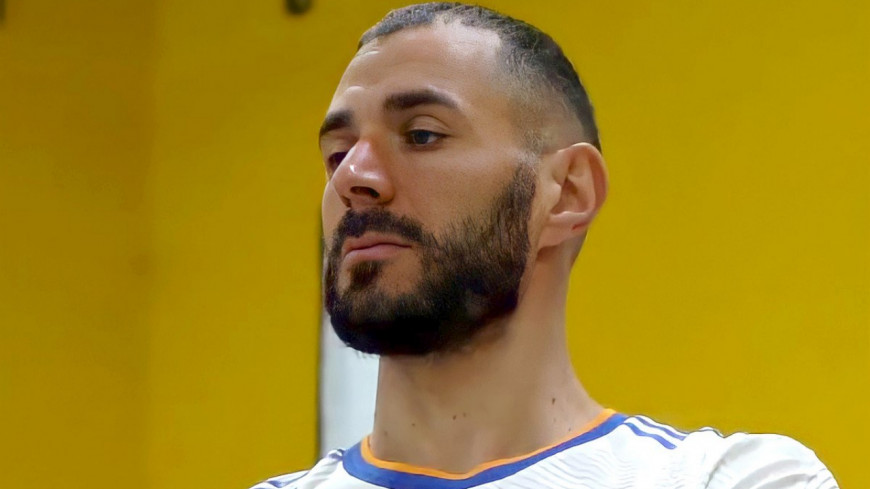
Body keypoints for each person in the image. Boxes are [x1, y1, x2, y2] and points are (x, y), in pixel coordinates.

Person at [252, 3, 838, 488]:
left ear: (566, 193)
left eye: (422, 134)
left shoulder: (729, 480)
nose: (353, 176)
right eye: (337, 154)